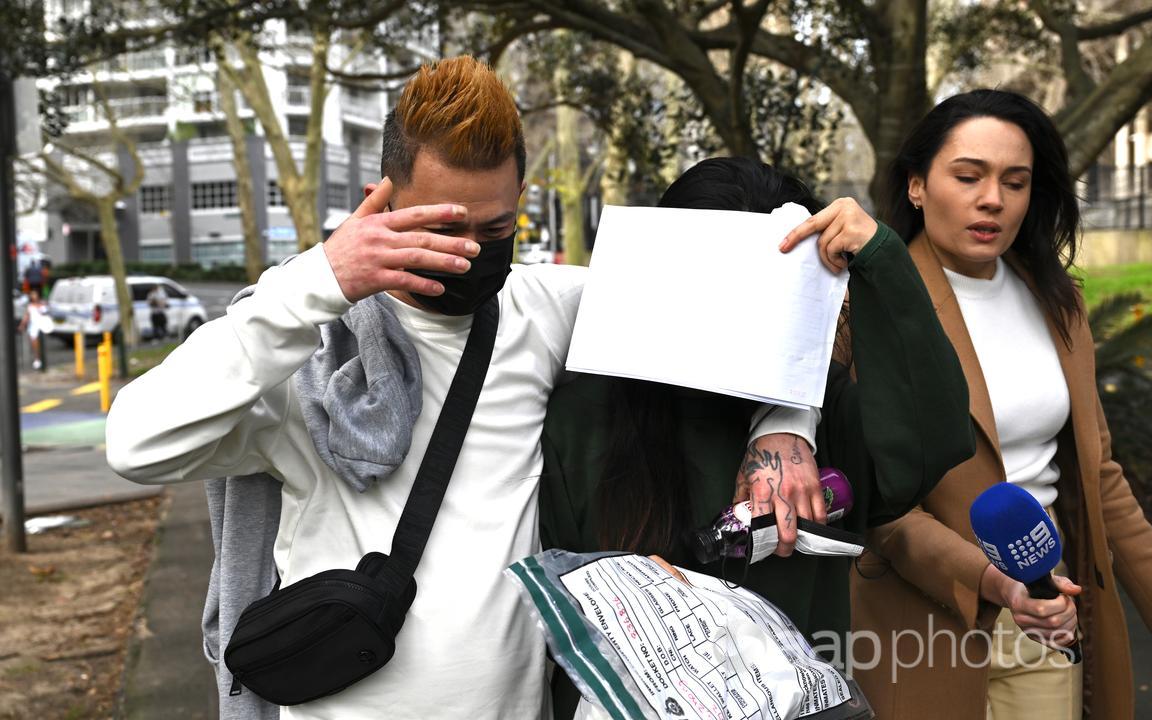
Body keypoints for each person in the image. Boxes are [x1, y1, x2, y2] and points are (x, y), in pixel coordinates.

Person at [105, 57, 819, 720]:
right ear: (379, 202)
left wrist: (783, 424)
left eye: (497, 226)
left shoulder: (542, 311)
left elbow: (731, 323)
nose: (472, 252)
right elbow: (137, 444)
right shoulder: (307, 344)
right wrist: (320, 281)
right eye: (443, 228)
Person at [844, 89, 1152, 719]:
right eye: (968, 176)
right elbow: (881, 507)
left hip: (1045, 606)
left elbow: (1098, 472)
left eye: (1016, 181)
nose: (993, 200)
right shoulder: (864, 306)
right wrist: (992, 582)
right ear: (917, 185)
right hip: (922, 619)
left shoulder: (1057, 302)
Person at [539, 157, 976, 719]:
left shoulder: (823, 413)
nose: (730, 316)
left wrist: (881, 258)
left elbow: (931, 444)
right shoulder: (586, 412)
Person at [17, 289, 47, 370]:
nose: (34, 296)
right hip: (33, 327)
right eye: (32, 295)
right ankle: (37, 359)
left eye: (35, 294)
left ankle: (41, 359)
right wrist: (22, 325)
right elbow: (26, 316)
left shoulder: (42, 304)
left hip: (41, 326)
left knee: (40, 343)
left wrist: (42, 306)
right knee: (34, 344)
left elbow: (46, 314)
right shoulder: (30, 306)